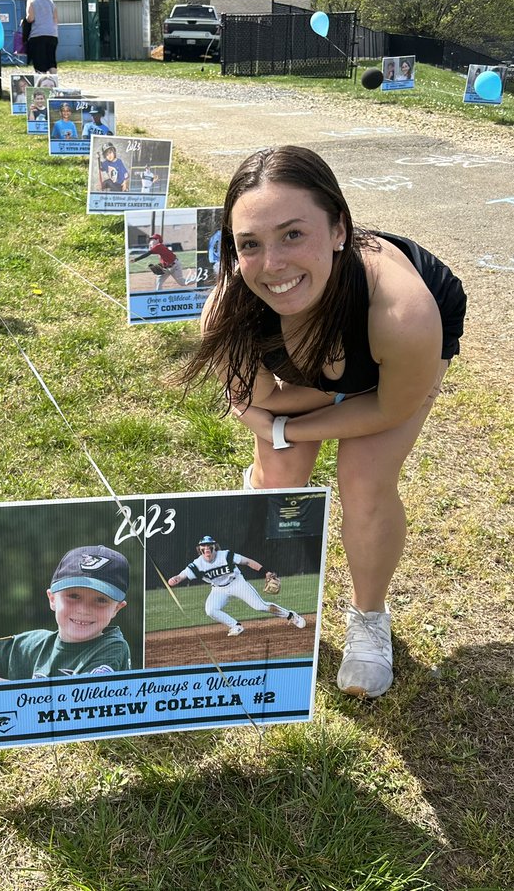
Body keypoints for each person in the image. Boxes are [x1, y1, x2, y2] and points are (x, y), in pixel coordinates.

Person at [177, 146, 467, 698]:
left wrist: (286, 430)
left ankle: (369, 619)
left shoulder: (404, 312)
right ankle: (266, 527)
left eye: (293, 234)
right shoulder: (230, 309)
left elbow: (389, 409)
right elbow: (259, 403)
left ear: (338, 228)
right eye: (250, 244)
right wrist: (277, 432)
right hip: (335, 361)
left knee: (365, 480)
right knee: (280, 480)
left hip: (393, 352)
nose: (273, 264)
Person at [0, 545, 131, 683]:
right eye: (74, 596)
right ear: (52, 599)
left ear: (116, 608)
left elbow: (79, 701)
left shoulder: (112, 648)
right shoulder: (35, 644)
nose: (84, 609)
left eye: (101, 600)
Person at [167, 535, 306, 636]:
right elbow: (183, 575)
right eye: (204, 546)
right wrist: (176, 579)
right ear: (200, 549)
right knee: (210, 610)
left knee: (260, 606)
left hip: (236, 583)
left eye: (209, 546)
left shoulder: (226, 555)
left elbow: (248, 562)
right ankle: (235, 626)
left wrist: (266, 572)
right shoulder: (197, 564)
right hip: (218, 590)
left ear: (214, 547)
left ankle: (291, 616)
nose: (207, 548)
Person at [25, 0, 59, 75]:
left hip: (38, 35)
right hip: (52, 34)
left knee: (40, 62)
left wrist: (25, 20)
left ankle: (42, 81)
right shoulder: (50, 0)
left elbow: (30, 18)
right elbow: (55, 19)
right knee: (51, 60)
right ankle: (54, 80)